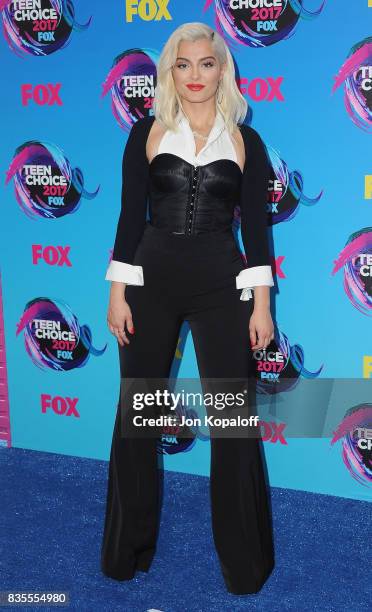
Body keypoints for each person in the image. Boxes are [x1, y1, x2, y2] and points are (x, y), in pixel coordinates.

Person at [101, 22, 275, 595]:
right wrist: (117, 291)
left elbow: (259, 232)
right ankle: (129, 551)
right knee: (138, 416)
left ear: (222, 69)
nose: (195, 75)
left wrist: (262, 306)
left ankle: (245, 564)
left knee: (231, 419)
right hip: (150, 279)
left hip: (223, 282)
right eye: (184, 64)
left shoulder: (246, 141)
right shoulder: (147, 133)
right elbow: (130, 218)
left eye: (206, 63)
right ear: (169, 72)